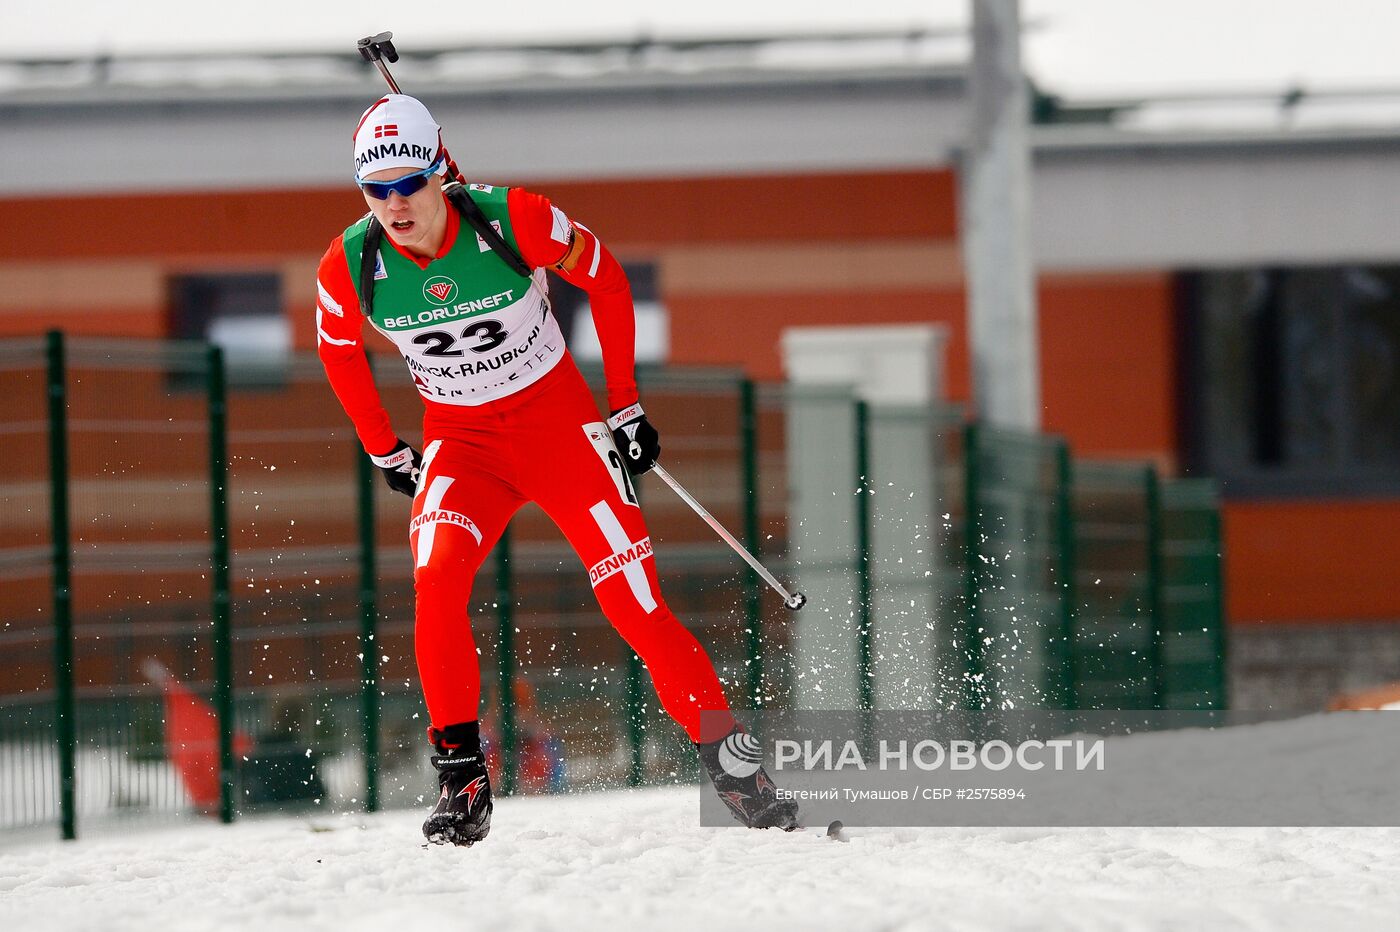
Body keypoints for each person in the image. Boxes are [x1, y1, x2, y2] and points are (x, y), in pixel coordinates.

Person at [315, 94, 797, 845]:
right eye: (375, 191)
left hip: (560, 431)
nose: (395, 204)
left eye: (409, 183)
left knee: (634, 604)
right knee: (435, 582)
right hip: (463, 442)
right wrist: (382, 444)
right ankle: (462, 781)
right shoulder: (351, 262)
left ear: (440, 169)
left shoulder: (516, 219)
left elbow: (606, 281)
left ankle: (736, 768)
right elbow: (337, 349)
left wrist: (627, 406)